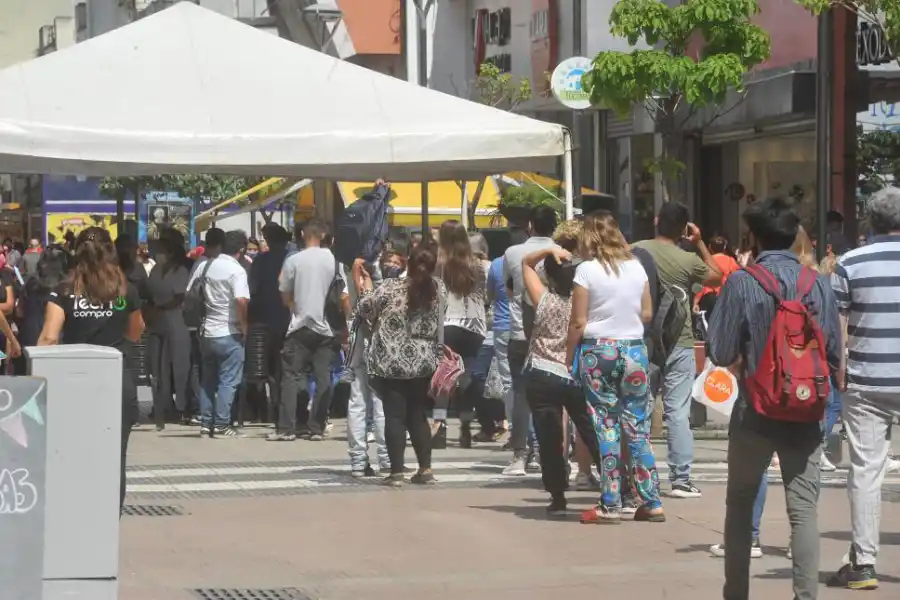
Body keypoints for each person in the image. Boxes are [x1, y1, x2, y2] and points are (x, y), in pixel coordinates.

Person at [707, 197, 841, 600]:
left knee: (741, 501)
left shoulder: (743, 282)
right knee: (803, 511)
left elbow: (719, 349)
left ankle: (737, 593)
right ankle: (805, 595)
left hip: (755, 408)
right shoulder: (816, 282)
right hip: (806, 408)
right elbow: (833, 349)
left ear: (754, 237)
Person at [37, 227, 145, 511]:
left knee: (73, 455)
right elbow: (136, 332)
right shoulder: (124, 290)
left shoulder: (64, 289)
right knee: (115, 458)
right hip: (117, 383)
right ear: (110, 250)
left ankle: (78, 515)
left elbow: (48, 338)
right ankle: (110, 517)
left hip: (74, 386)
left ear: (76, 252)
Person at [566, 211, 662, 524]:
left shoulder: (586, 271)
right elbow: (647, 313)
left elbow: (579, 321)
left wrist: (568, 357)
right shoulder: (637, 268)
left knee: (606, 426)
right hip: (634, 351)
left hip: (599, 352)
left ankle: (610, 502)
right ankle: (651, 499)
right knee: (638, 428)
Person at [827, 186, 900, 590]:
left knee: (867, 471)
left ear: (870, 220)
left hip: (867, 380)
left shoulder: (850, 263)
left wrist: (841, 372)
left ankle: (865, 564)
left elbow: (839, 327)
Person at [632, 202, 722, 498]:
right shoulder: (687, 260)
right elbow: (716, 276)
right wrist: (700, 244)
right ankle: (681, 479)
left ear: (656, 221)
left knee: (641, 408)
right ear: (684, 229)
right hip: (680, 341)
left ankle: (639, 475)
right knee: (678, 412)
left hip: (643, 338)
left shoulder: (635, 251)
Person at [353, 245, 445, 486]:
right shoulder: (438, 290)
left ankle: (396, 472)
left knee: (395, 415)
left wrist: (361, 284)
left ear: (408, 265)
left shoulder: (390, 287)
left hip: (392, 361)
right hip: (423, 361)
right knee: (417, 414)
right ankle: (425, 469)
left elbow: (363, 309)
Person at [269, 219, 349, 442]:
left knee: (291, 376)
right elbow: (343, 296)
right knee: (324, 376)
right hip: (326, 329)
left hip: (299, 325)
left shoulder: (293, 260)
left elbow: (284, 291)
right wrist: (345, 326)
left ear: (303, 234)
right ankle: (317, 427)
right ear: (323, 235)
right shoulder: (335, 261)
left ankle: (287, 427)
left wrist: (295, 307)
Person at [502, 206, 560, 476]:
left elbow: (509, 288)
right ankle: (544, 449)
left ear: (530, 225)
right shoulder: (562, 252)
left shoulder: (513, 253)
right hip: (553, 334)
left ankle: (520, 453)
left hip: (519, 332)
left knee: (521, 393)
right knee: (552, 397)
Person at [186, 229, 250, 437]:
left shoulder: (204, 265)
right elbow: (241, 300)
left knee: (208, 380)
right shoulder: (237, 271)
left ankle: (206, 423)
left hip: (206, 331)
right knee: (228, 380)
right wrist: (244, 326)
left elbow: (189, 294)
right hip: (229, 331)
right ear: (241, 250)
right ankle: (222, 424)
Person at [436, 220, 487, 449]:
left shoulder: (440, 264)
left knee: (443, 377)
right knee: (466, 377)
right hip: (475, 326)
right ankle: (466, 424)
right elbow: (486, 297)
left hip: (447, 323)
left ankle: (440, 425)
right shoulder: (478, 265)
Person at [145, 231, 193, 430]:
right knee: (159, 366)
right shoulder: (155, 270)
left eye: (160, 251)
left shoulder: (181, 270)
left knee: (180, 364)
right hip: (158, 320)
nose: (156, 255)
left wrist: (162, 307)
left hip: (177, 318)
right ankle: (164, 403)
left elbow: (180, 296)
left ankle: (182, 404)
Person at [249, 223, 291, 425]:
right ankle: (282, 408)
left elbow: (252, 289)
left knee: (265, 368)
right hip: (288, 319)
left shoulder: (261, 261)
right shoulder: (292, 259)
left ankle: (266, 410)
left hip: (264, 320)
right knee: (284, 369)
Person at [12, 244, 68, 374]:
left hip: (28, 342)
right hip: (58, 345)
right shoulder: (65, 287)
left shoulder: (30, 284)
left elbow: (19, 311)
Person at [693, 235, 740, 316]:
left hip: (709, 299)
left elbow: (702, 284)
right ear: (724, 247)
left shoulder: (706, 262)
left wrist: (695, 302)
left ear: (709, 247)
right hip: (726, 298)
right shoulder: (731, 261)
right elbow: (738, 281)